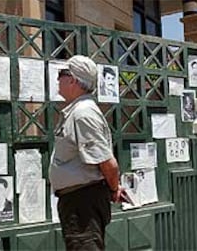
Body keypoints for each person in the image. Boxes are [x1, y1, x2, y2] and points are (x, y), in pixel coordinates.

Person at [49, 55, 124, 250]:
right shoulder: (77, 111)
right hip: (78, 200)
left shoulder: (83, 114)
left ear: (73, 79)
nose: (58, 79)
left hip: (82, 203)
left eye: (61, 74)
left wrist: (114, 189)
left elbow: (108, 163)